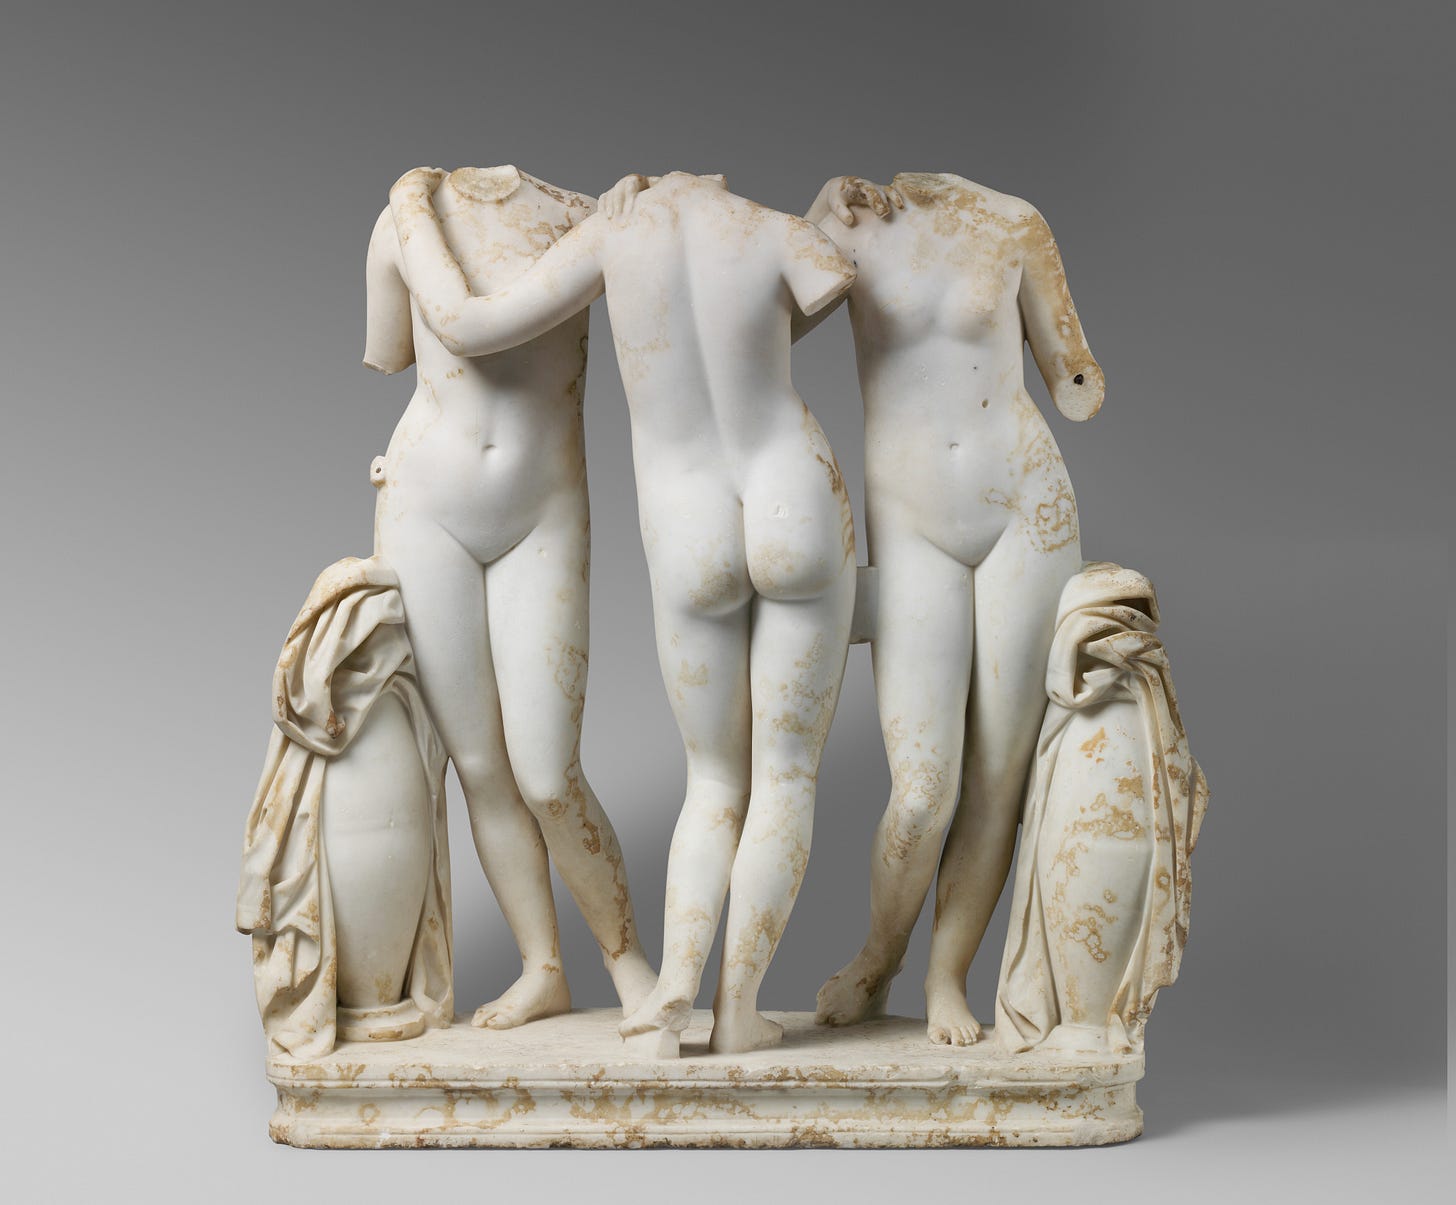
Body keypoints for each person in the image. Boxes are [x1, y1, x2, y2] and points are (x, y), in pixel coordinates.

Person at [387, 168, 858, 1054]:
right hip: (791, 487)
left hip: (689, 518)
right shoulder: (772, 227)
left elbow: (466, 324)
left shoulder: (613, 232)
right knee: (785, 775)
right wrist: (824, 214)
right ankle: (739, 1010)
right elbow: (805, 298)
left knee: (714, 780)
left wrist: (409, 202)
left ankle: (675, 979)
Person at [799, 173, 1105, 1045]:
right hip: (913, 521)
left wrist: (1082, 373)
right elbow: (762, 327)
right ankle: (880, 953)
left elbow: (1073, 375)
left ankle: (947, 975)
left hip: (1025, 506)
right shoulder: (851, 227)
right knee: (922, 791)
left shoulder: (1014, 221)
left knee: (999, 772)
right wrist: (815, 219)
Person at [364, 165, 655, 1029]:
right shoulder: (396, 229)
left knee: (547, 770)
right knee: (480, 765)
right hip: (427, 509)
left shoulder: (580, 220)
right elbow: (394, 355)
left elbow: (456, 331)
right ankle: (543, 966)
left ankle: (629, 963)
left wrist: (409, 200)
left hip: (542, 512)